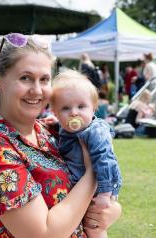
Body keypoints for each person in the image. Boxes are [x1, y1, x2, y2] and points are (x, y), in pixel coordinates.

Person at [0, 33, 121, 238]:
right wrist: (93, 172)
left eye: (44, 79)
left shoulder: (52, 130)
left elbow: (104, 205)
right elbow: (44, 234)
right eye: (25, 78)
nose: (37, 90)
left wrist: (109, 213)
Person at [50, 70, 122, 238]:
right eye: (65, 108)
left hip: (100, 188)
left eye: (81, 106)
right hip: (80, 187)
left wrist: (105, 194)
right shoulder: (63, 128)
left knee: (94, 227)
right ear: (55, 113)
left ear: (93, 108)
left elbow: (106, 160)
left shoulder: (94, 132)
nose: (74, 112)